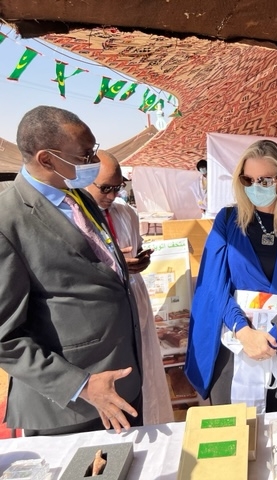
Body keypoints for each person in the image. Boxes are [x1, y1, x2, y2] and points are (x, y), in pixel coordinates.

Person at [0, 106, 143, 435]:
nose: (94, 161)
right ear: (46, 159)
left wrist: (117, 266)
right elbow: (4, 338)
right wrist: (82, 385)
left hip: (122, 382)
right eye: (84, 154)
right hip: (74, 405)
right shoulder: (8, 221)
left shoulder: (79, 197)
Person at [184, 139, 277, 413]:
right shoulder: (228, 221)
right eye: (247, 179)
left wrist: (272, 336)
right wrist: (244, 331)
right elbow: (213, 286)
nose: (254, 187)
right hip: (233, 342)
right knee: (230, 434)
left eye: (264, 181)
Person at [86, 151, 174, 426]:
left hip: (134, 298)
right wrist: (114, 265)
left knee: (144, 368)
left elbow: (131, 253)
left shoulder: (126, 213)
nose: (112, 195)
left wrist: (137, 263)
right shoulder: (72, 217)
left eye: (117, 187)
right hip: (102, 311)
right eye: (105, 188)